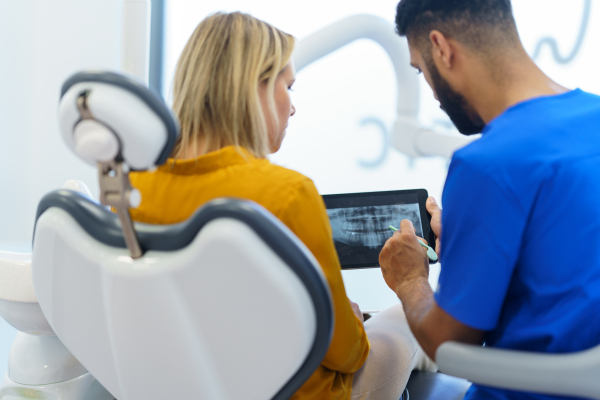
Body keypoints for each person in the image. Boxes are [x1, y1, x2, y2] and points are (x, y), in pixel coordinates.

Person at [128, 12, 434, 400]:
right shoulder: (287, 193)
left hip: (190, 386)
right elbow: (348, 355)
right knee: (404, 320)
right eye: (288, 87)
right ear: (254, 88)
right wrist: (354, 322)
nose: (292, 107)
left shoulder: (134, 188)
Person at [379, 1, 600, 399]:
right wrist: (470, 242)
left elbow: (449, 345)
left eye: (420, 69)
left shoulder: (486, 164)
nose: (430, 91)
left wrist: (409, 280)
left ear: (441, 49)